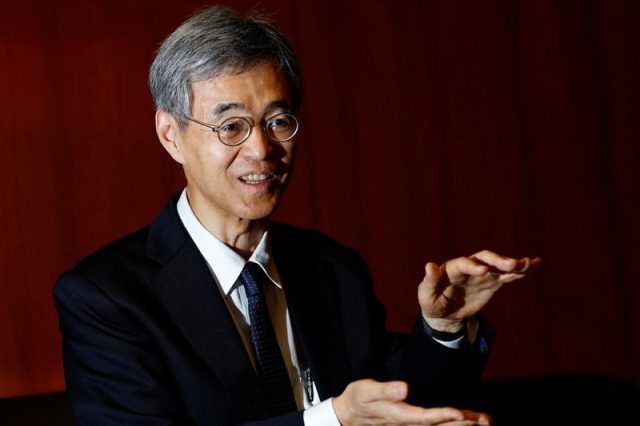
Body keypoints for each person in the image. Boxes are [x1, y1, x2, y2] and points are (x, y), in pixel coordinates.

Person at [54, 5, 540, 426]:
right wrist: (333, 419)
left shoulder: (333, 268)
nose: (262, 149)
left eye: (278, 121)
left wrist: (442, 328)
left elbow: (400, 410)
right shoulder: (105, 297)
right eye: (231, 126)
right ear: (170, 135)